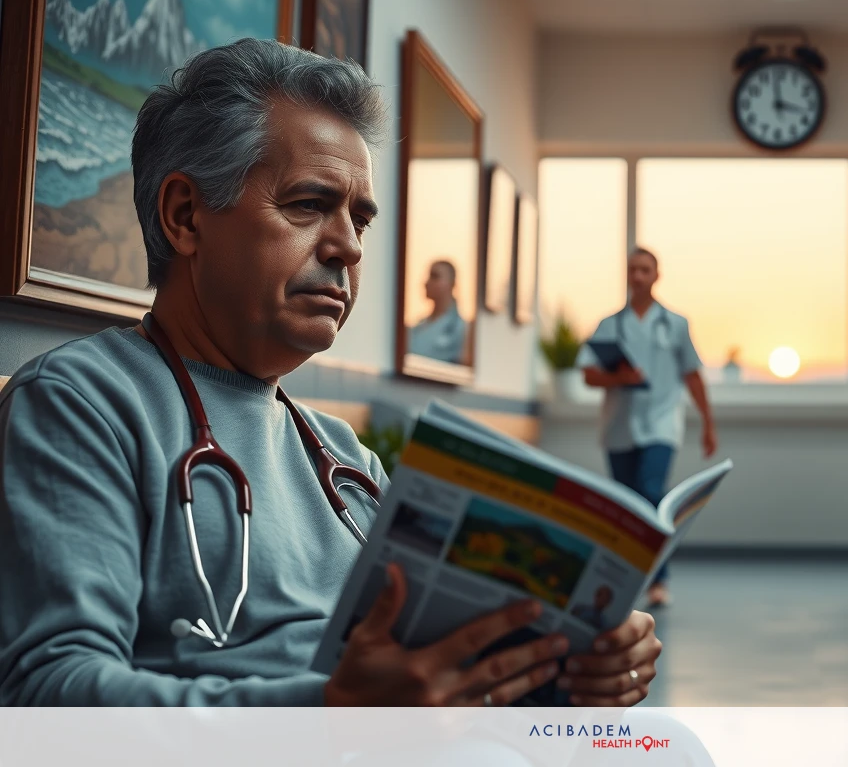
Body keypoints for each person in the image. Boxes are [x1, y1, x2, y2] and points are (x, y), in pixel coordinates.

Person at [0, 39, 661, 707]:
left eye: (360, 219)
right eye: (309, 205)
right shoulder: (79, 406)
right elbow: (48, 695)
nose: (347, 246)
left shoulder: (348, 462)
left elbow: (432, 678)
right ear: (185, 216)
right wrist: (329, 716)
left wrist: (574, 664)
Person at [578, 247, 717, 609]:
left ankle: (659, 579)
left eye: (645, 270)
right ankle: (624, 579)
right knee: (626, 503)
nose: (637, 276)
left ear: (657, 275)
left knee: (651, 492)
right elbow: (588, 375)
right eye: (632, 270)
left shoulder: (675, 324)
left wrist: (708, 423)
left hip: (661, 423)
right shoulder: (609, 325)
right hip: (619, 426)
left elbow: (692, 375)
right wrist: (617, 377)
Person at [408, 260, 469, 364]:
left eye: (435, 276)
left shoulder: (462, 329)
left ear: (452, 284)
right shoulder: (417, 327)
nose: (426, 282)